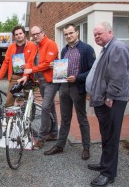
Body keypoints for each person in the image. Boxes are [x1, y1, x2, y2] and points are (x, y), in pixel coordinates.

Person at [86, 22, 129, 187]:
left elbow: (118, 76)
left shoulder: (117, 47)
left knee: (111, 136)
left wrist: (110, 96)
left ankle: (108, 174)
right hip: (104, 99)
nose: (97, 37)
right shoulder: (107, 47)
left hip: (112, 100)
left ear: (110, 32)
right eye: (95, 34)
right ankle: (105, 164)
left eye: (100, 33)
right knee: (106, 134)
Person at [43, 23, 95, 160]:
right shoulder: (64, 50)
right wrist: (56, 66)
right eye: (66, 34)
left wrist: (78, 77)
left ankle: (86, 147)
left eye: (71, 33)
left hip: (77, 88)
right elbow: (63, 68)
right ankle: (60, 146)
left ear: (77, 32)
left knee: (82, 118)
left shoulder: (87, 49)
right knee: (65, 119)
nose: (68, 36)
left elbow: (93, 70)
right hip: (64, 87)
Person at [18, 26, 60, 149]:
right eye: (33, 34)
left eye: (37, 33)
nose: (35, 36)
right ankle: (54, 133)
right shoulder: (35, 46)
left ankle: (41, 139)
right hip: (41, 81)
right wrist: (26, 74)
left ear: (43, 32)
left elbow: (47, 63)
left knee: (45, 107)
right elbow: (31, 62)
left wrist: (32, 69)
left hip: (51, 81)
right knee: (51, 107)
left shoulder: (51, 44)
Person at [0, 25, 37, 107]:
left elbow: (31, 62)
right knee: (9, 102)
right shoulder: (11, 47)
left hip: (28, 77)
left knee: (29, 102)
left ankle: (27, 117)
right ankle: (8, 119)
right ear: (14, 36)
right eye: (16, 34)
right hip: (14, 77)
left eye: (20, 33)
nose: (19, 36)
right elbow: (6, 62)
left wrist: (25, 75)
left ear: (24, 34)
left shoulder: (32, 45)